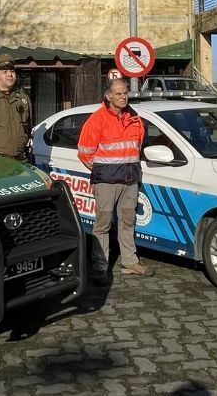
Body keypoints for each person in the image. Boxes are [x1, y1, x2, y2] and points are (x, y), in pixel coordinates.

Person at [77, 78, 152, 286]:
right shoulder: (97, 119)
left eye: (125, 93)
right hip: (107, 181)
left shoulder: (135, 118)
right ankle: (100, 267)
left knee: (128, 222)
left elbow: (137, 146)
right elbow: (84, 153)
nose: (123, 97)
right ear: (108, 96)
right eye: (118, 94)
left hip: (129, 179)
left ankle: (130, 262)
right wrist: (104, 170)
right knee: (102, 225)